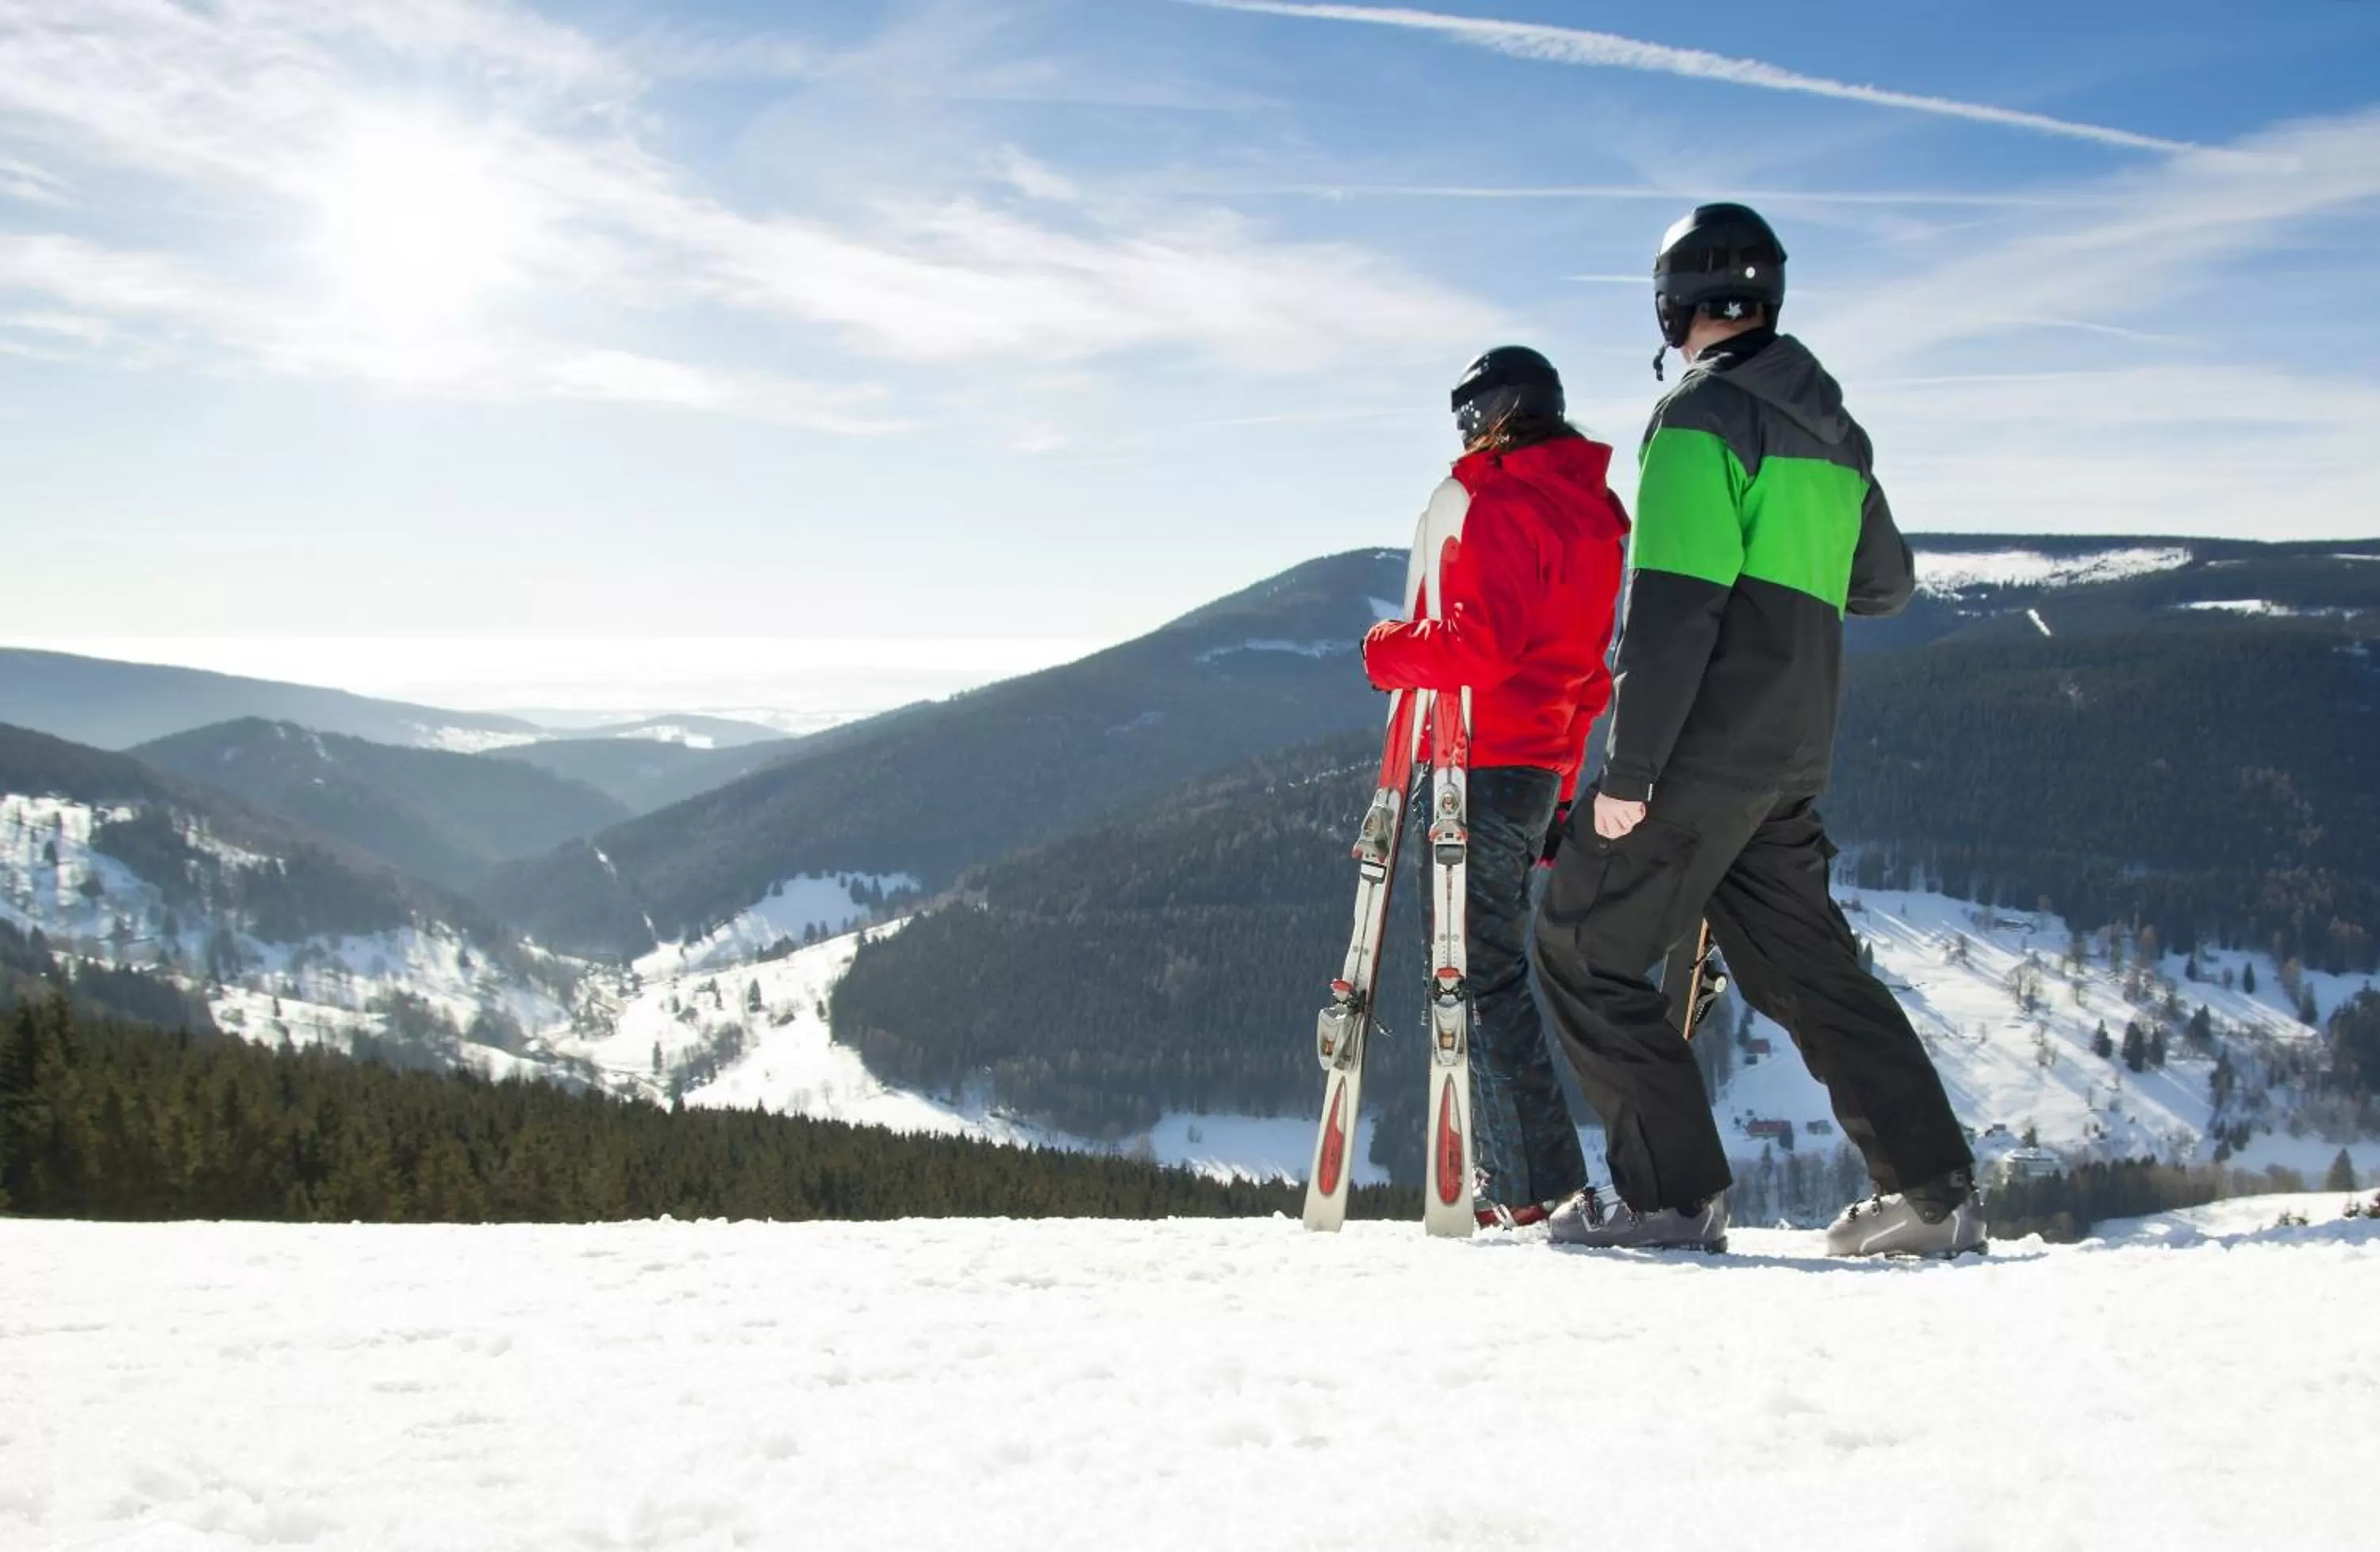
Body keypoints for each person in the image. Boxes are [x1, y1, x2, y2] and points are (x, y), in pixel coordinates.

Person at [1529, 204, 1984, 1257]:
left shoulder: (1700, 420)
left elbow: (1678, 610)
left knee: (1584, 945)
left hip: (1699, 752)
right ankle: (1933, 1195)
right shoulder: (1834, 431)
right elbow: (1887, 584)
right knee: (1810, 974)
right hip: (1788, 758)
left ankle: (1668, 1197)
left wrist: (1628, 773)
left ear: (1674, 303)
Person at [1361, 346, 1631, 1228]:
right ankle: (1526, 1179)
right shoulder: (1596, 514)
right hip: (1537, 761)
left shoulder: (1501, 501)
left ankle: (1530, 1185)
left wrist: (1388, 650)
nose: (1465, 434)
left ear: (1494, 415)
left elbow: (1482, 647)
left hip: (1478, 759)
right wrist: (1558, 787)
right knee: (1490, 970)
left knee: (1476, 976)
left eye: (1469, 417)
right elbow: (1589, 675)